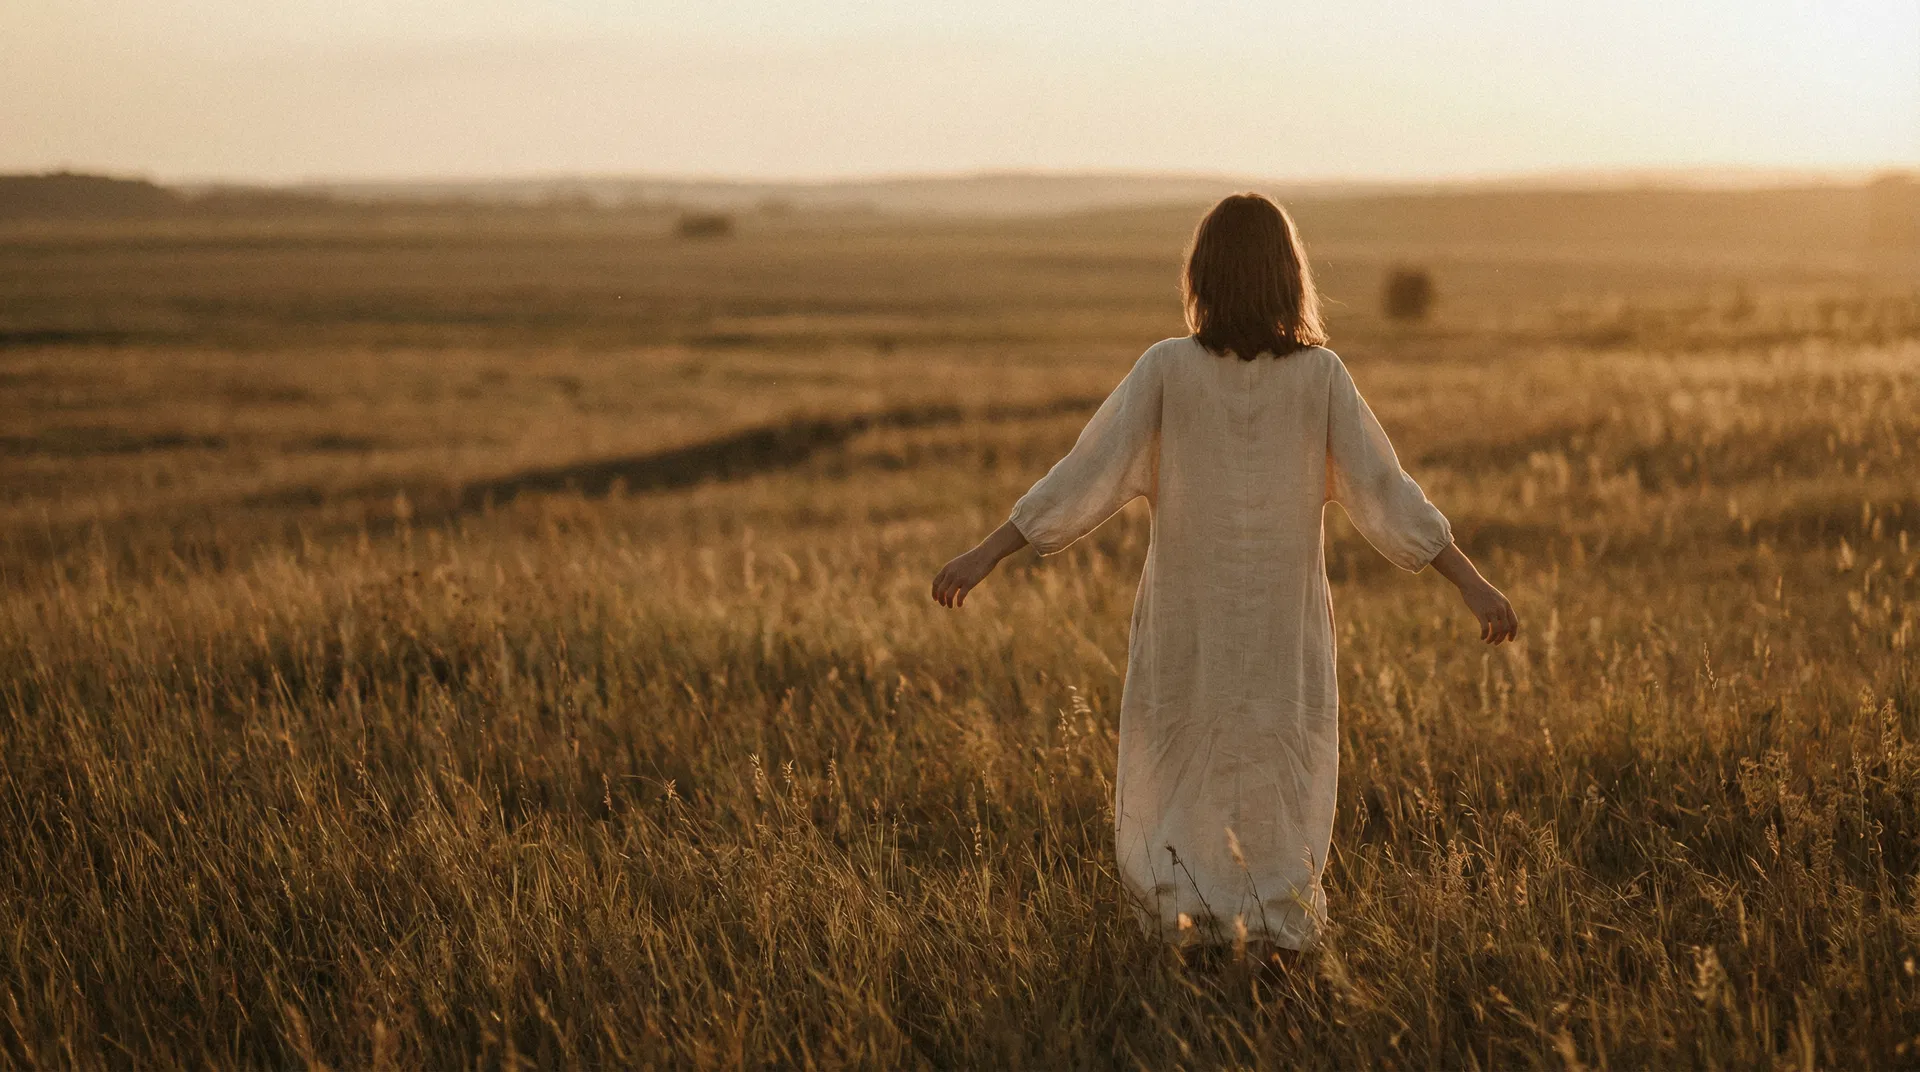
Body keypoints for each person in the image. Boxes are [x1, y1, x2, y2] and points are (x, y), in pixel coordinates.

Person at [929, 193, 1517, 956]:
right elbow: (1389, 494)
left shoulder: (1187, 369)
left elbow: (1081, 477)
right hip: (1276, 628)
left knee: (1183, 758)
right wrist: (1471, 582)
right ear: (1287, 277)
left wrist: (988, 552)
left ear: (1203, 276)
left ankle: (1191, 926)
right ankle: (1270, 933)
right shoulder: (1300, 376)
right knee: (1274, 764)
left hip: (1193, 621)